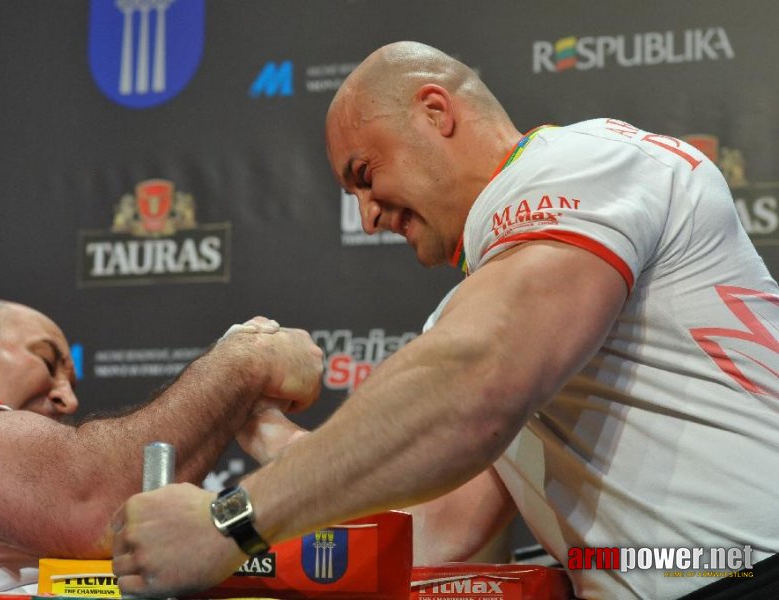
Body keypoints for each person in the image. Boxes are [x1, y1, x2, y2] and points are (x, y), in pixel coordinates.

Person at [110, 41, 779, 599]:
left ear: (435, 111)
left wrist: (229, 524)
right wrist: (252, 408)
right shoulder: (481, 309)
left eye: (365, 174)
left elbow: (475, 384)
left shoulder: (585, 161)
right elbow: (434, 524)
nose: (367, 215)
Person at [0, 297, 324, 593]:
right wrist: (246, 362)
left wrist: (272, 436)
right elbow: (94, 505)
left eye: (71, 381)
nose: (68, 398)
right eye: (48, 360)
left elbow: (145, 536)